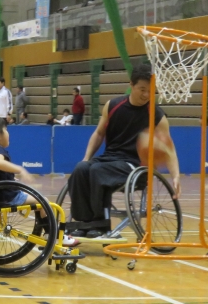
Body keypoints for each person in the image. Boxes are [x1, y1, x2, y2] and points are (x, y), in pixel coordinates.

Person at [67, 64, 181, 239]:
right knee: (80, 170)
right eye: (142, 89)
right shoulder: (112, 106)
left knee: (98, 171)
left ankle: (101, 225)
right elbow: (98, 134)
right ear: (131, 85)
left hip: (136, 166)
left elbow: (169, 149)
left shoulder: (157, 115)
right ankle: (84, 223)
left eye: (151, 91)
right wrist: (86, 158)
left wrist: (176, 176)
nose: (146, 95)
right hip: (110, 159)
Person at [0, 116, 77, 247]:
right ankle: (53, 235)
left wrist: (10, 178)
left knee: (39, 200)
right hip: (8, 197)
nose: (8, 133)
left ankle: (48, 232)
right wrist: (20, 169)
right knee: (45, 202)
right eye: (6, 129)